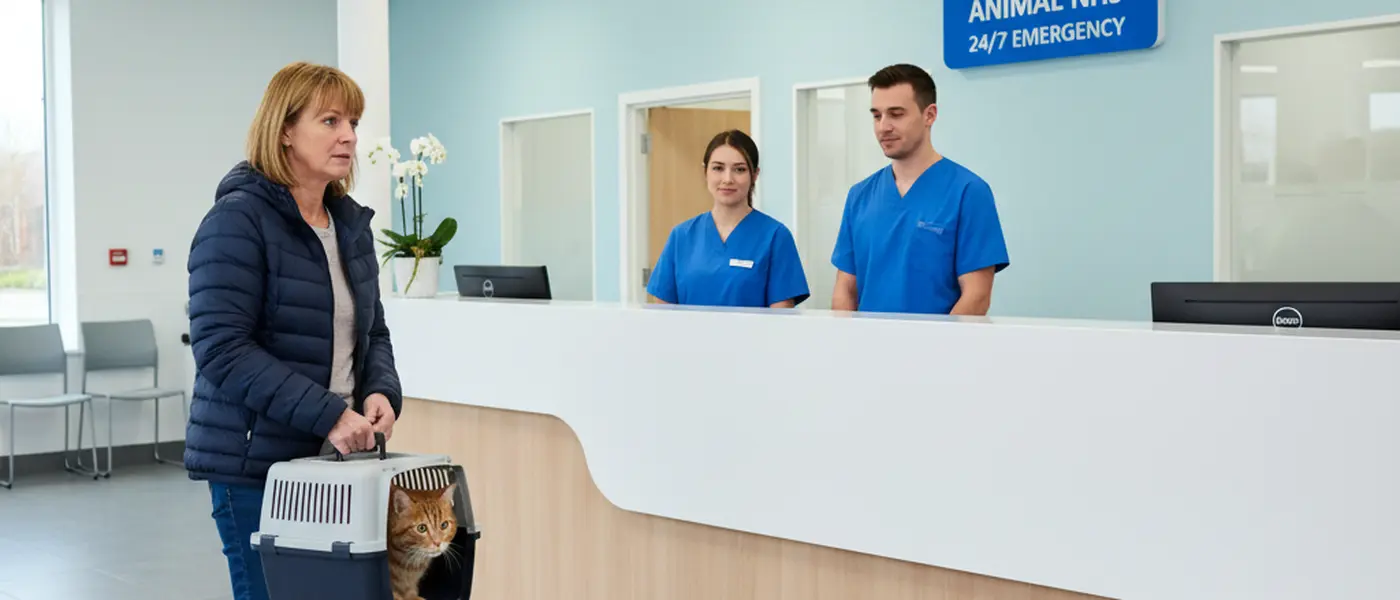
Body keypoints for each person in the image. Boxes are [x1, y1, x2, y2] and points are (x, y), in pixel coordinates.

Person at [184, 61, 402, 600]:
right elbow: (223, 350)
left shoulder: (348, 226)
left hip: (336, 462)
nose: (349, 135)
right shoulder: (236, 220)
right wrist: (330, 413)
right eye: (330, 121)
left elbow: (372, 333)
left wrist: (381, 391)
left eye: (352, 121)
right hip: (257, 466)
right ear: (285, 130)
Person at [830, 64, 1009, 315]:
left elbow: (977, 296)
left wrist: (934, 351)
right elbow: (845, 290)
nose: (883, 127)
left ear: (930, 115)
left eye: (896, 114)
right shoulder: (859, 196)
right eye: (876, 115)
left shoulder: (968, 192)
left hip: (939, 350)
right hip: (867, 349)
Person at [647, 129, 810, 308]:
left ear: (755, 175)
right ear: (705, 172)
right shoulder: (682, 236)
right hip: (689, 336)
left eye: (739, 169)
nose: (727, 179)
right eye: (718, 168)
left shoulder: (775, 237)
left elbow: (781, 321)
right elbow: (662, 315)